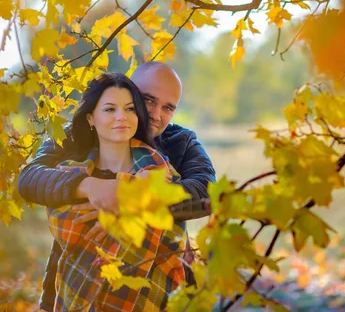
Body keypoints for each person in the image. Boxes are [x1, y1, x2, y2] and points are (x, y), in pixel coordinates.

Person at [18, 62, 216, 311]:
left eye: (168, 107)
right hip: (78, 282)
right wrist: (89, 186)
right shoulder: (79, 134)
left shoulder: (180, 142)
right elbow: (29, 178)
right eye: (148, 100)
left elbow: (205, 192)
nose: (156, 114)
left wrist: (132, 199)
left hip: (159, 291)